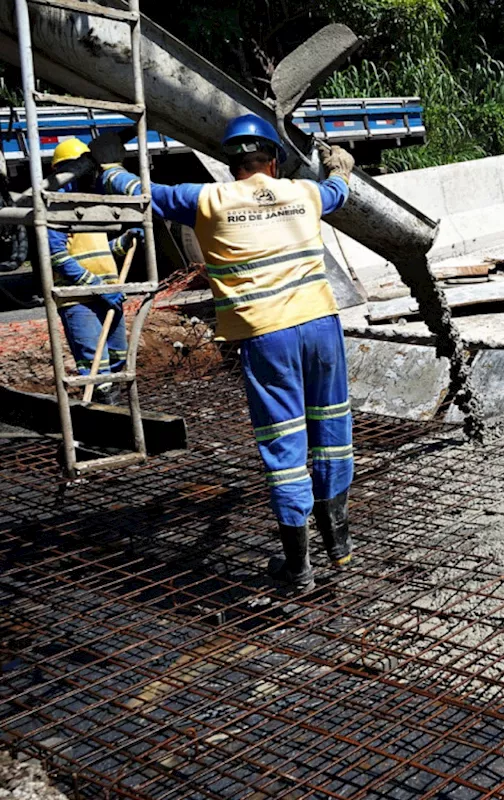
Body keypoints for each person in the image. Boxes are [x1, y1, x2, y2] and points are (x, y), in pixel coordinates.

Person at [91, 115, 357, 594]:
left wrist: (108, 164)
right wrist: (340, 168)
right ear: (273, 161)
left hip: (266, 334)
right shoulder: (303, 192)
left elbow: (142, 192)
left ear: (231, 163)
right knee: (331, 428)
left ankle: (299, 568)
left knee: (285, 443)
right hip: (321, 324)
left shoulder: (207, 199)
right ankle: (338, 544)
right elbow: (338, 190)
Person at [47, 138, 143, 404]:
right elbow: (56, 256)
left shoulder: (90, 206)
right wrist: (96, 286)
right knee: (96, 368)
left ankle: (114, 416)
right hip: (80, 300)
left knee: (118, 359)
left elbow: (99, 250)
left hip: (107, 295)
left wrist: (125, 242)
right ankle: (106, 427)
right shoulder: (56, 210)